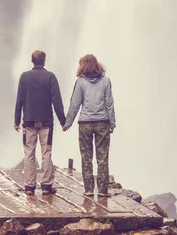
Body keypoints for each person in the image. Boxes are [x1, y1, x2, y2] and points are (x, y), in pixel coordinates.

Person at [14, 50, 66, 196]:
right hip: (46, 122)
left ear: (32, 61)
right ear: (44, 60)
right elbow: (57, 101)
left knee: (29, 152)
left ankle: (29, 187)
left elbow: (19, 100)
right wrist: (63, 121)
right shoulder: (50, 77)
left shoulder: (24, 77)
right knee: (46, 152)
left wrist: (17, 120)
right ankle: (46, 186)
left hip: (29, 121)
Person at [64, 54, 116, 197]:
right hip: (102, 123)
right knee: (103, 157)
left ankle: (88, 190)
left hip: (85, 123)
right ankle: (103, 191)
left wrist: (67, 123)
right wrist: (112, 123)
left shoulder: (80, 82)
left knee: (86, 156)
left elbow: (75, 104)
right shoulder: (106, 81)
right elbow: (109, 104)